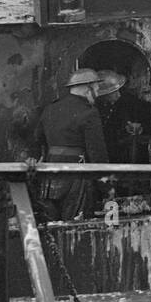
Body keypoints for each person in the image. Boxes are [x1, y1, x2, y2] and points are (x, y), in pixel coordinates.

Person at [37, 68, 109, 221]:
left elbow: (38, 138)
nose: (97, 92)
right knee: (75, 225)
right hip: (77, 178)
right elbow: (97, 154)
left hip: (50, 176)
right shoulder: (89, 112)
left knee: (52, 224)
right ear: (87, 88)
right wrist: (106, 187)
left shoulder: (50, 109)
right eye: (96, 87)